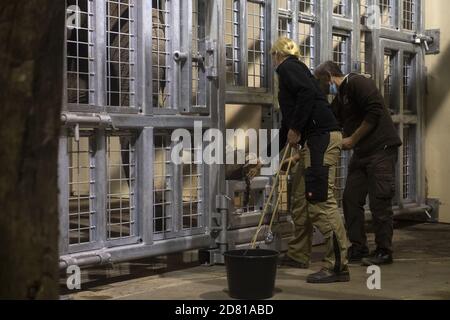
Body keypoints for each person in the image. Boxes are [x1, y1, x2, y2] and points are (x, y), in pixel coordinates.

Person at [271, 38, 350, 283]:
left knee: (320, 203)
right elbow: (288, 123)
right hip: (315, 140)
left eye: (273, 55)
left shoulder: (287, 67)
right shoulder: (298, 71)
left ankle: (338, 266)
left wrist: (296, 127)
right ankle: (298, 254)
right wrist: (263, 156)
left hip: (320, 139)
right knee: (300, 199)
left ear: (277, 54)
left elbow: (303, 99)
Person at [314, 61, 402, 266]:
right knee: (351, 198)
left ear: (329, 76)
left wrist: (353, 139)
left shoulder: (357, 82)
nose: (323, 87)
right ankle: (358, 246)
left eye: (321, 82)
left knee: (380, 201)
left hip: (381, 151)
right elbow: (331, 121)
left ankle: (383, 250)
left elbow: (375, 111)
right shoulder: (341, 97)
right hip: (362, 154)